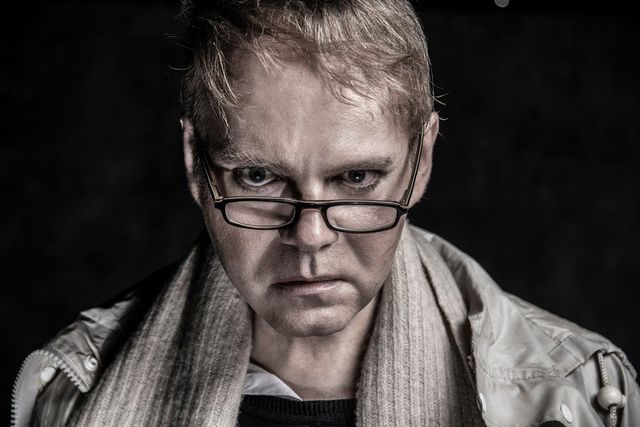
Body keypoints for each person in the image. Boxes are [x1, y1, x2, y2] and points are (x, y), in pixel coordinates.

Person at [11, 1, 639, 426]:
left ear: (420, 160)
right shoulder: (66, 395)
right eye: (258, 177)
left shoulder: (582, 398)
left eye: (356, 179)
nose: (309, 236)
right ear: (196, 164)